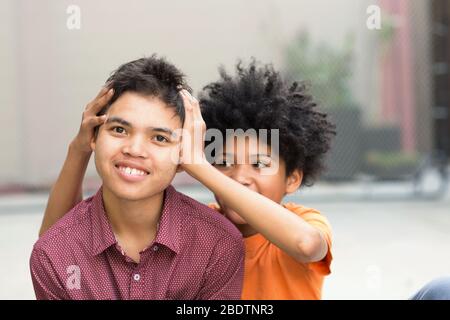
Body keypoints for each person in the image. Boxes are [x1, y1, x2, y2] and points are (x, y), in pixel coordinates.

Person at [39, 59, 335, 300]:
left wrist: (200, 166)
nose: (240, 177)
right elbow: (56, 245)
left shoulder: (304, 221)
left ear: (293, 179)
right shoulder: (205, 227)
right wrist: (79, 150)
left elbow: (306, 244)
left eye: (259, 164)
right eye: (224, 162)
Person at [30, 56, 245, 300]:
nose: (134, 149)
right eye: (119, 130)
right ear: (93, 137)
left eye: (160, 138)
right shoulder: (52, 254)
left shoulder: (218, 245)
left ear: (184, 155)